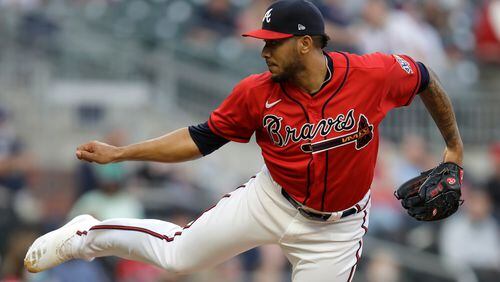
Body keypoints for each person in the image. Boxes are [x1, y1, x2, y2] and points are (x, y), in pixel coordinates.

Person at [24, 1, 464, 281]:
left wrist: (454, 151)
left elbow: (425, 78)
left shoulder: (371, 74)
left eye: (274, 43)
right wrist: (123, 152)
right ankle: (85, 234)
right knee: (178, 258)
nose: (264, 50)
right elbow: (201, 139)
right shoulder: (256, 92)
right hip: (270, 199)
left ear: (306, 44)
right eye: (263, 41)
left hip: (336, 230)